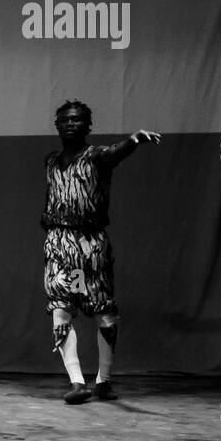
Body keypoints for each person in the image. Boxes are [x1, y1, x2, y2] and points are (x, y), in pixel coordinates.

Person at [42, 100, 160, 404]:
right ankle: (77, 382)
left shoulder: (96, 157)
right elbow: (52, 193)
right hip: (60, 243)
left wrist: (135, 140)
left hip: (87, 244)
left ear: (88, 125)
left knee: (101, 310)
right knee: (62, 306)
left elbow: (115, 153)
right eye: (66, 120)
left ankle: (104, 380)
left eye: (78, 120)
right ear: (57, 124)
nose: (71, 124)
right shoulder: (52, 161)